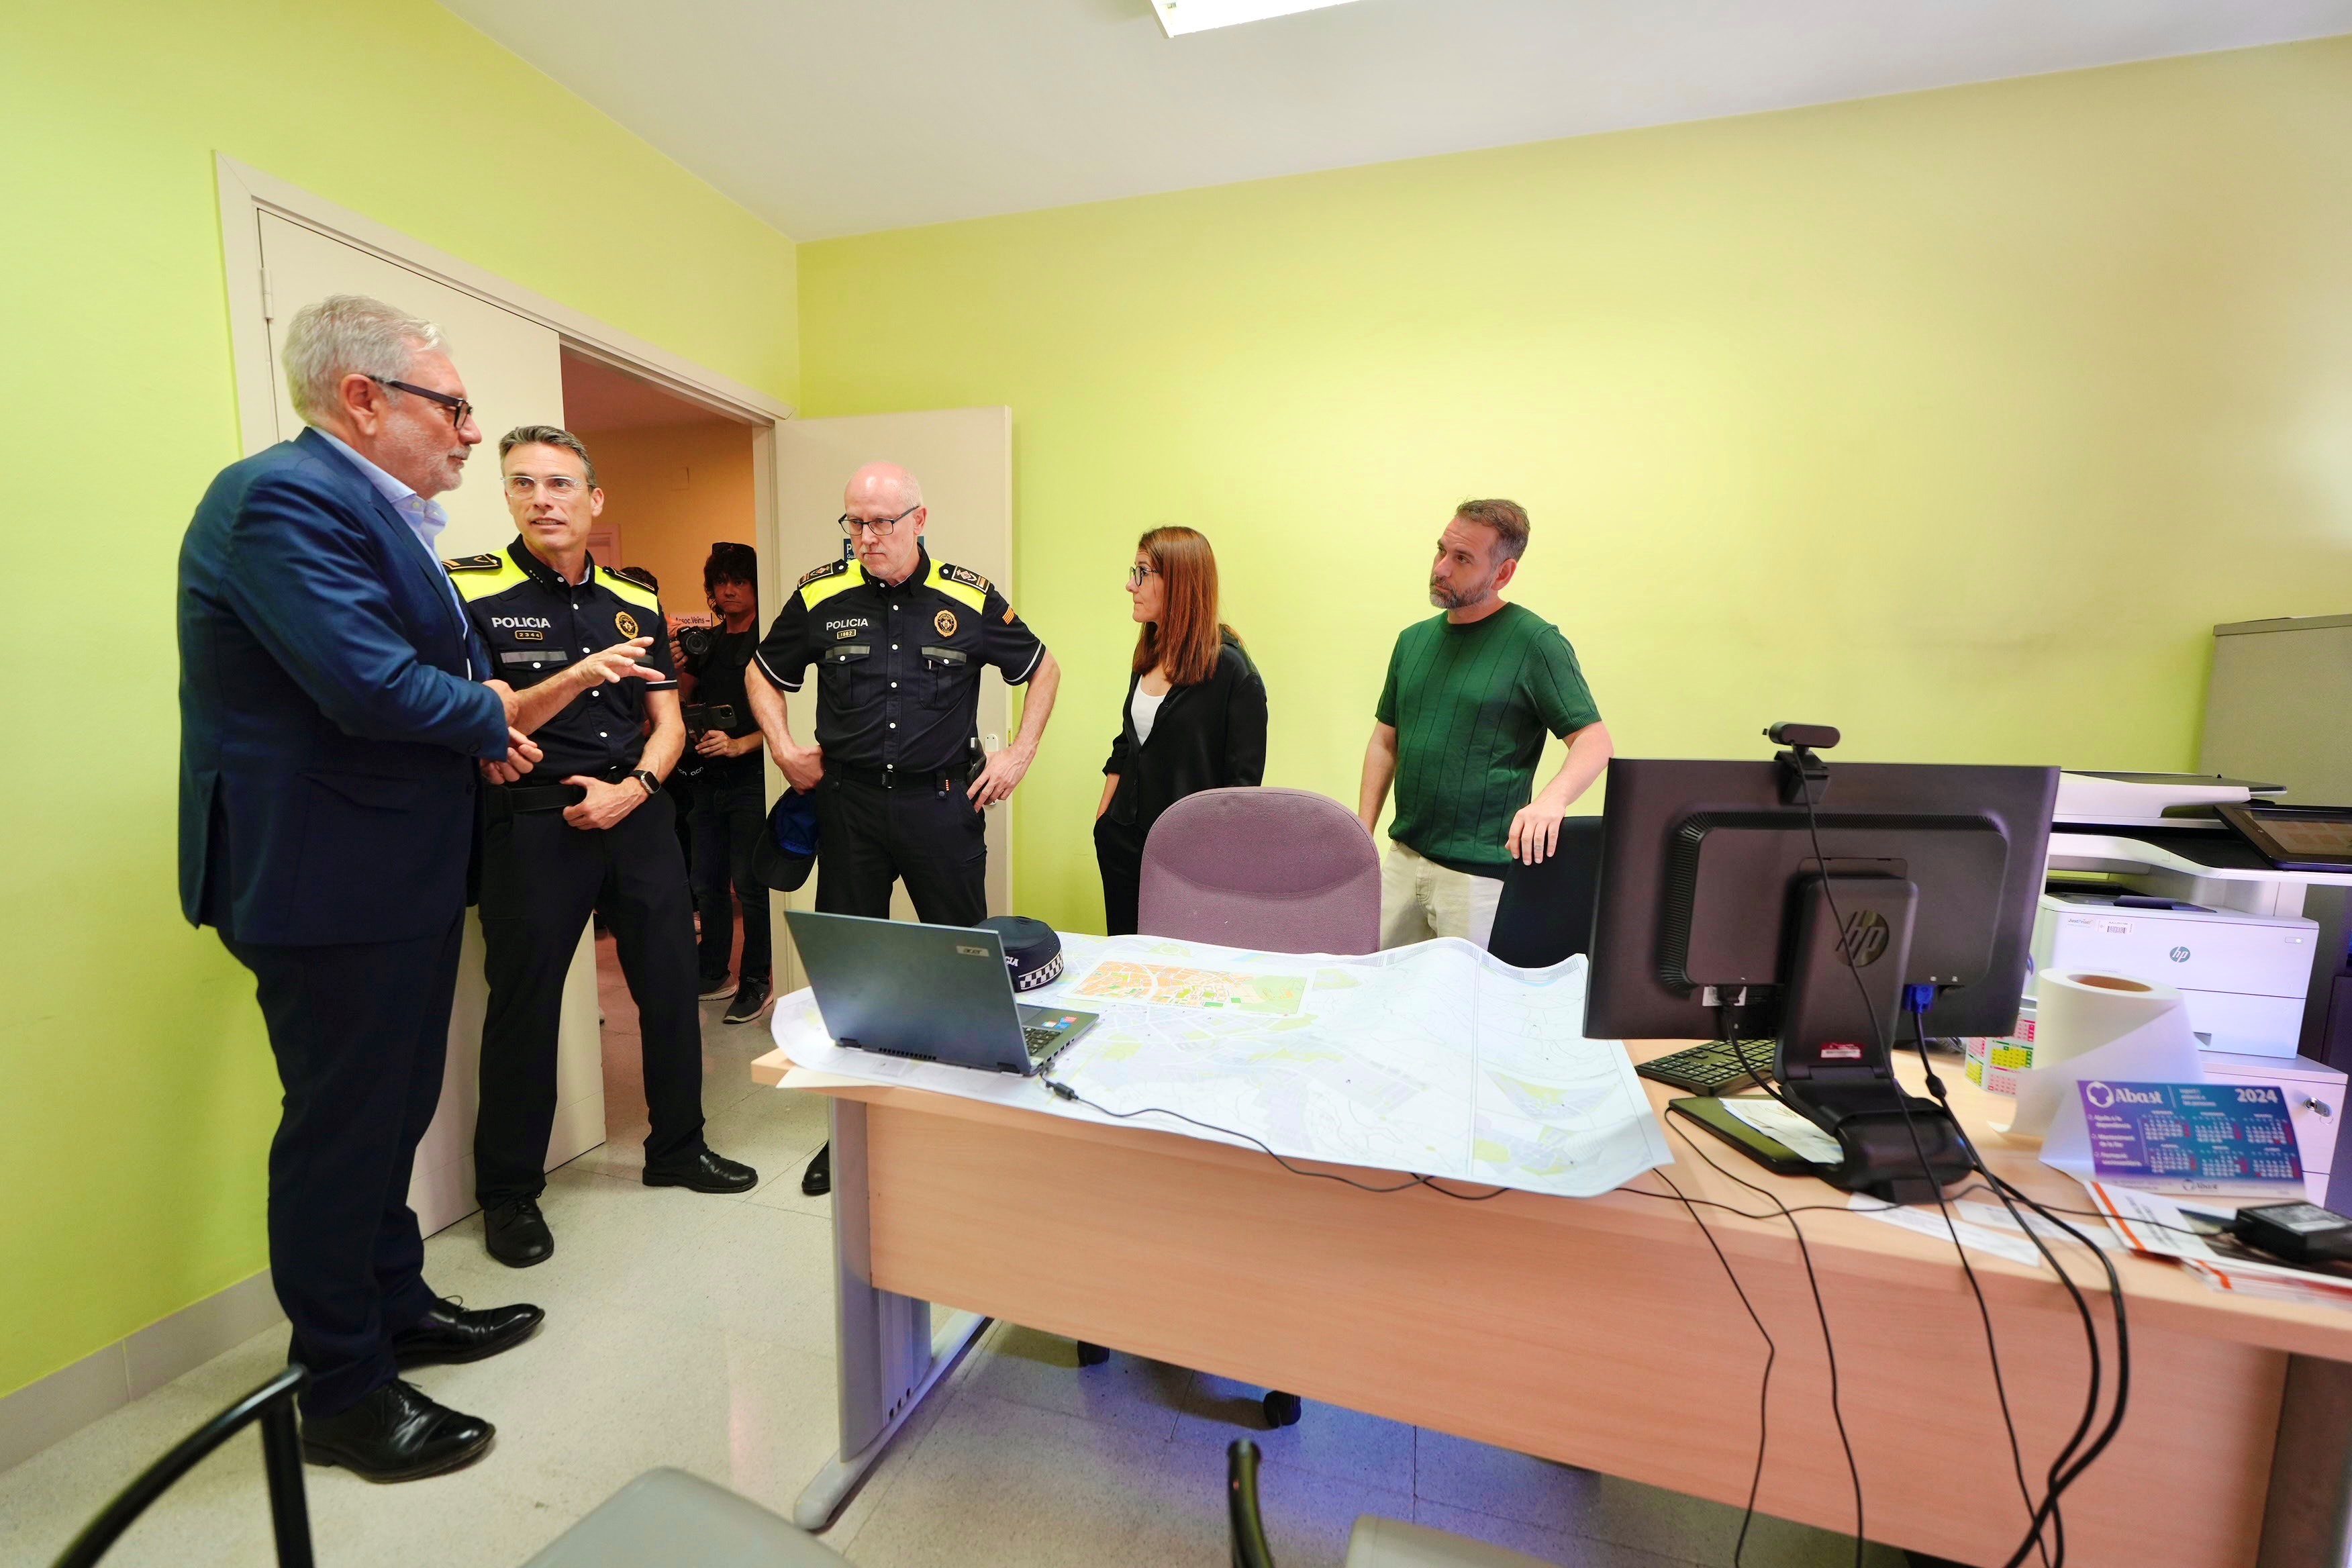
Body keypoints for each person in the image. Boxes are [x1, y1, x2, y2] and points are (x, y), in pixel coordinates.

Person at [178, 295, 607, 1481]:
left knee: (390, 1113)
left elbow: (415, 675)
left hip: (387, 868)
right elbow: (369, 683)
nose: (472, 432)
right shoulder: (280, 499)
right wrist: (494, 715)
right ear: (362, 398)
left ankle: (397, 1306)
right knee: (342, 1132)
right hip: (323, 878)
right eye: (453, 407)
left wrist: (476, 724)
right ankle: (341, 1388)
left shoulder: (374, 510)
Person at [450, 426, 756, 1269]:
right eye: (523, 483)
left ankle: (678, 1147)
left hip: (638, 810)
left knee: (671, 987)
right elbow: (487, 717)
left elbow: (667, 719)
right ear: (507, 497)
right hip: (536, 820)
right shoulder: (470, 587)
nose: (542, 499)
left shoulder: (634, 595)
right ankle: (509, 1190)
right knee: (525, 1009)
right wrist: (577, 677)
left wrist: (641, 786)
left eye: (559, 484)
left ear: (594, 500)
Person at [745, 461, 1061, 1194]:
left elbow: (1043, 669)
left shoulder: (968, 596)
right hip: (849, 807)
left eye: (882, 522)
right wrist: (783, 747)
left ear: (919, 520)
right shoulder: (820, 593)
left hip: (941, 806)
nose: (867, 537)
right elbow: (762, 671)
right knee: (854, 975)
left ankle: (965, 1128)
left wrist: (1018, 753)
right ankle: (850, 1132)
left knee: (962, 966)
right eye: (855, 521)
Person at [1357, 499, 1613, 950]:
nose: (1441, 568)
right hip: (1402, 860)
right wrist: (1361, 832)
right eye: (1441, 550)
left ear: (1503, 573)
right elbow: (1385, 741)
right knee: (1378, 983)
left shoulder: (1536, 643)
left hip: (1479, 880)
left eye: (1462, 558)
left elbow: (1594, 740)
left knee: (1470, 995)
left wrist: (1551, 801)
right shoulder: (1412, 641)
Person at [1094, 527, 1267, 936]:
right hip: (1123, 843)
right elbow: (1127, 743)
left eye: (1142, 572)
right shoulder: (1150, 650)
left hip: (1190, 859)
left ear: (1179, 582)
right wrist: (1104, 820)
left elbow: (1241, 789)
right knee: (1126, 960)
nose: (1130, 585)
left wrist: (1215, 865)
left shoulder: (1231, 670)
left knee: (1178, 966)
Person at [675, 542, 773, 1025]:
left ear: (756, 585)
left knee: (750, 886)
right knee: (707, 883)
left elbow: (787, 717)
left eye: (739, 581)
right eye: (721, 582)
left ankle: (758, 979)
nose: (729, 590)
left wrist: (740, 745)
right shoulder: (706, 644)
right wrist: (676, 663)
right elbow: (679, 701)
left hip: (752, 778)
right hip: (705, 776)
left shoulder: (769, 641)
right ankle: (713, 971)